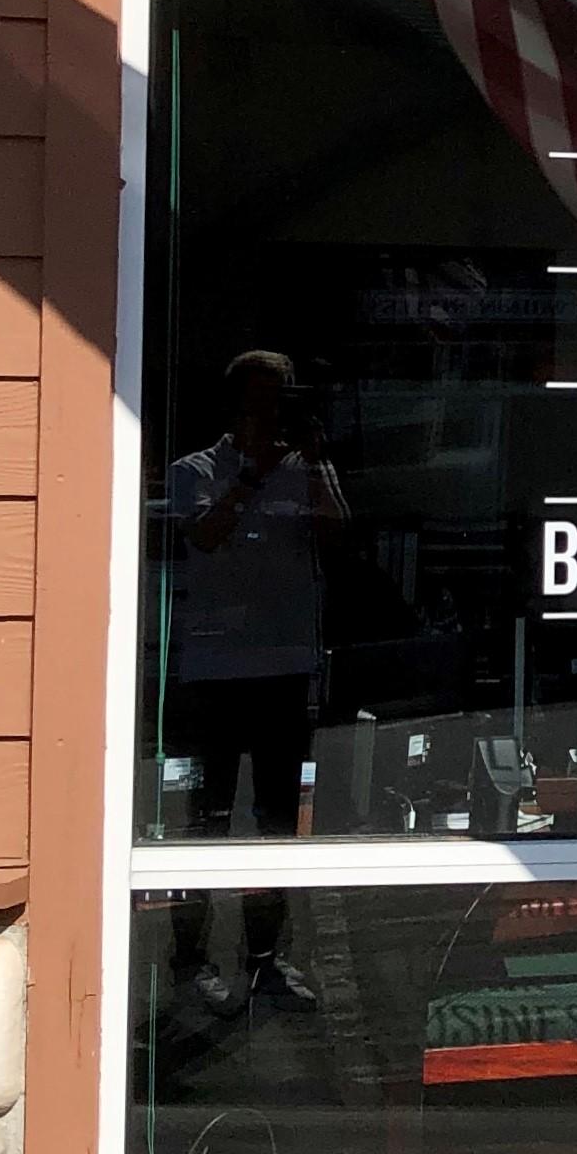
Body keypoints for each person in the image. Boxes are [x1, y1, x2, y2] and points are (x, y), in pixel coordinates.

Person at [164, 349, 346, 1010]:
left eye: (283, 402)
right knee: (205, 819)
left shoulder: (306, 471)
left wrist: (314, 457)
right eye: (262, 402)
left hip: (286, 666)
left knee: (275, 819)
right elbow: (206, 535)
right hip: (214, 670)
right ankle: (189, 962)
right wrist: (248, 477)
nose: (271, 415)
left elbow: (339, 536)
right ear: (237, 405)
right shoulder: (195, 471)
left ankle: (267, 959)